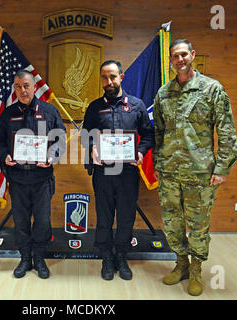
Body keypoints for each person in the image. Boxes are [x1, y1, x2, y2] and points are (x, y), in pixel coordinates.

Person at [152, 39, 237, 295]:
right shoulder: (163, 93)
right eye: (175, 56)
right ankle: (181, 266)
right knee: (172, 223)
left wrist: (222, 167)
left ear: (192, 55)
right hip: (169, 172)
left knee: (198, 225)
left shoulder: (211, 90)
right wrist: (157, 164)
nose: (180, 60)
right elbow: (157, 133)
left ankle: (197, 270)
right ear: (170, 60)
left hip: (200, 174)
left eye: (183, 55)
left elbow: (227, 131)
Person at [82, 60, 155, 280]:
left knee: (125, 217)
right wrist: (93, 149)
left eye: (112, 76)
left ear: (121, 77)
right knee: (104, 216)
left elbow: (149, 134)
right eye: (104, 77)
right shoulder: (95, 107)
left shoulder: (136, 105)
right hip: (104, 172)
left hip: (128, 173)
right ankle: (106, 257)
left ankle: (121, 257)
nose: (108, 81)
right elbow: (86, 135)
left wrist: (141, 152)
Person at [0, 69, 66, 279]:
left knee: (42, 221)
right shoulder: (7, 114)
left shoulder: (49, 111)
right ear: (14, 89)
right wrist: (5, 155)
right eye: (18, 87)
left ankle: (40, 258)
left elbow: (60, 139)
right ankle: (25, 258)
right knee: (21, 221)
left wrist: (52, 156)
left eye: (26, 86)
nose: (22, 90)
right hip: (17, 179)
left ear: (34, 86)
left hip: (42, 179)